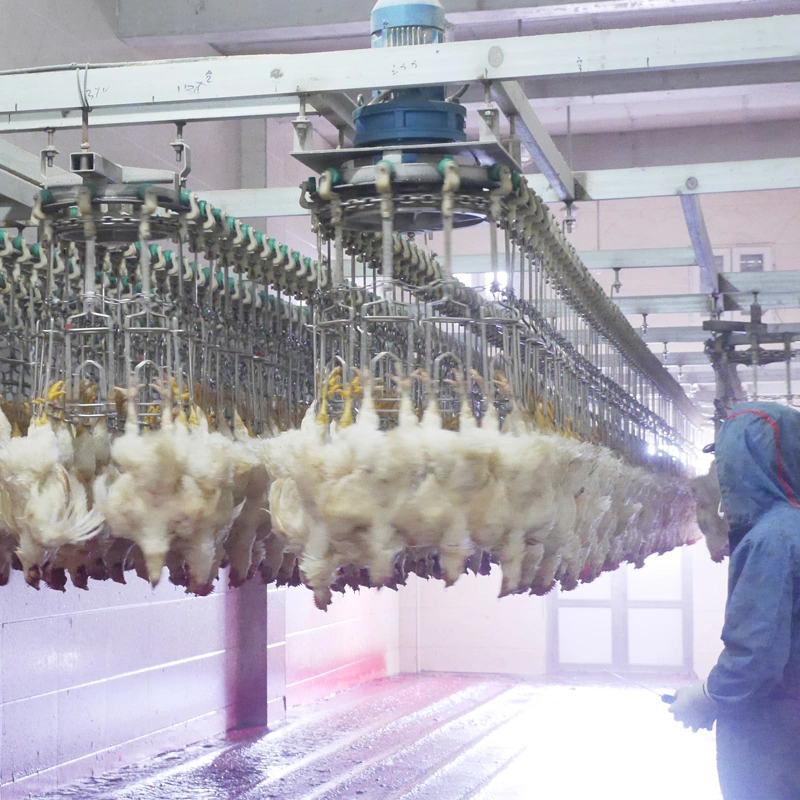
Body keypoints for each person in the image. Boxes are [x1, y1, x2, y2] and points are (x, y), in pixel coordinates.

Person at [668, 401, 800, 799]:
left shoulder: (772, 538)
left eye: (726, 458)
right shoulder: (790, 525)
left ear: (749, 461)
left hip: (775, 732)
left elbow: (755, 657)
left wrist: (707, 697)